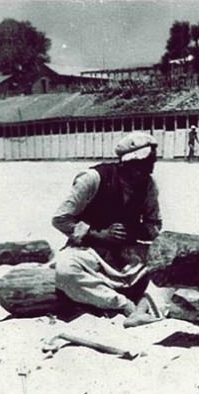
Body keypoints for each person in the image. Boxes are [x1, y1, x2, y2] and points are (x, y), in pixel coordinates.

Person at [52, 132, 162, 317]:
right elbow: (61, 219)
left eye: (151, 163)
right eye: (143, 164)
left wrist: (133, 232)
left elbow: (154, 224)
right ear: (126, 163)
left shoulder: (148, 184)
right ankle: (123, 305)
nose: (149, 170)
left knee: (172, 266)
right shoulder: (93, 178)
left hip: (128, 254)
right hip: (90, 251)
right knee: (65, 271)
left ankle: (143, 308)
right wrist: (98, 234)